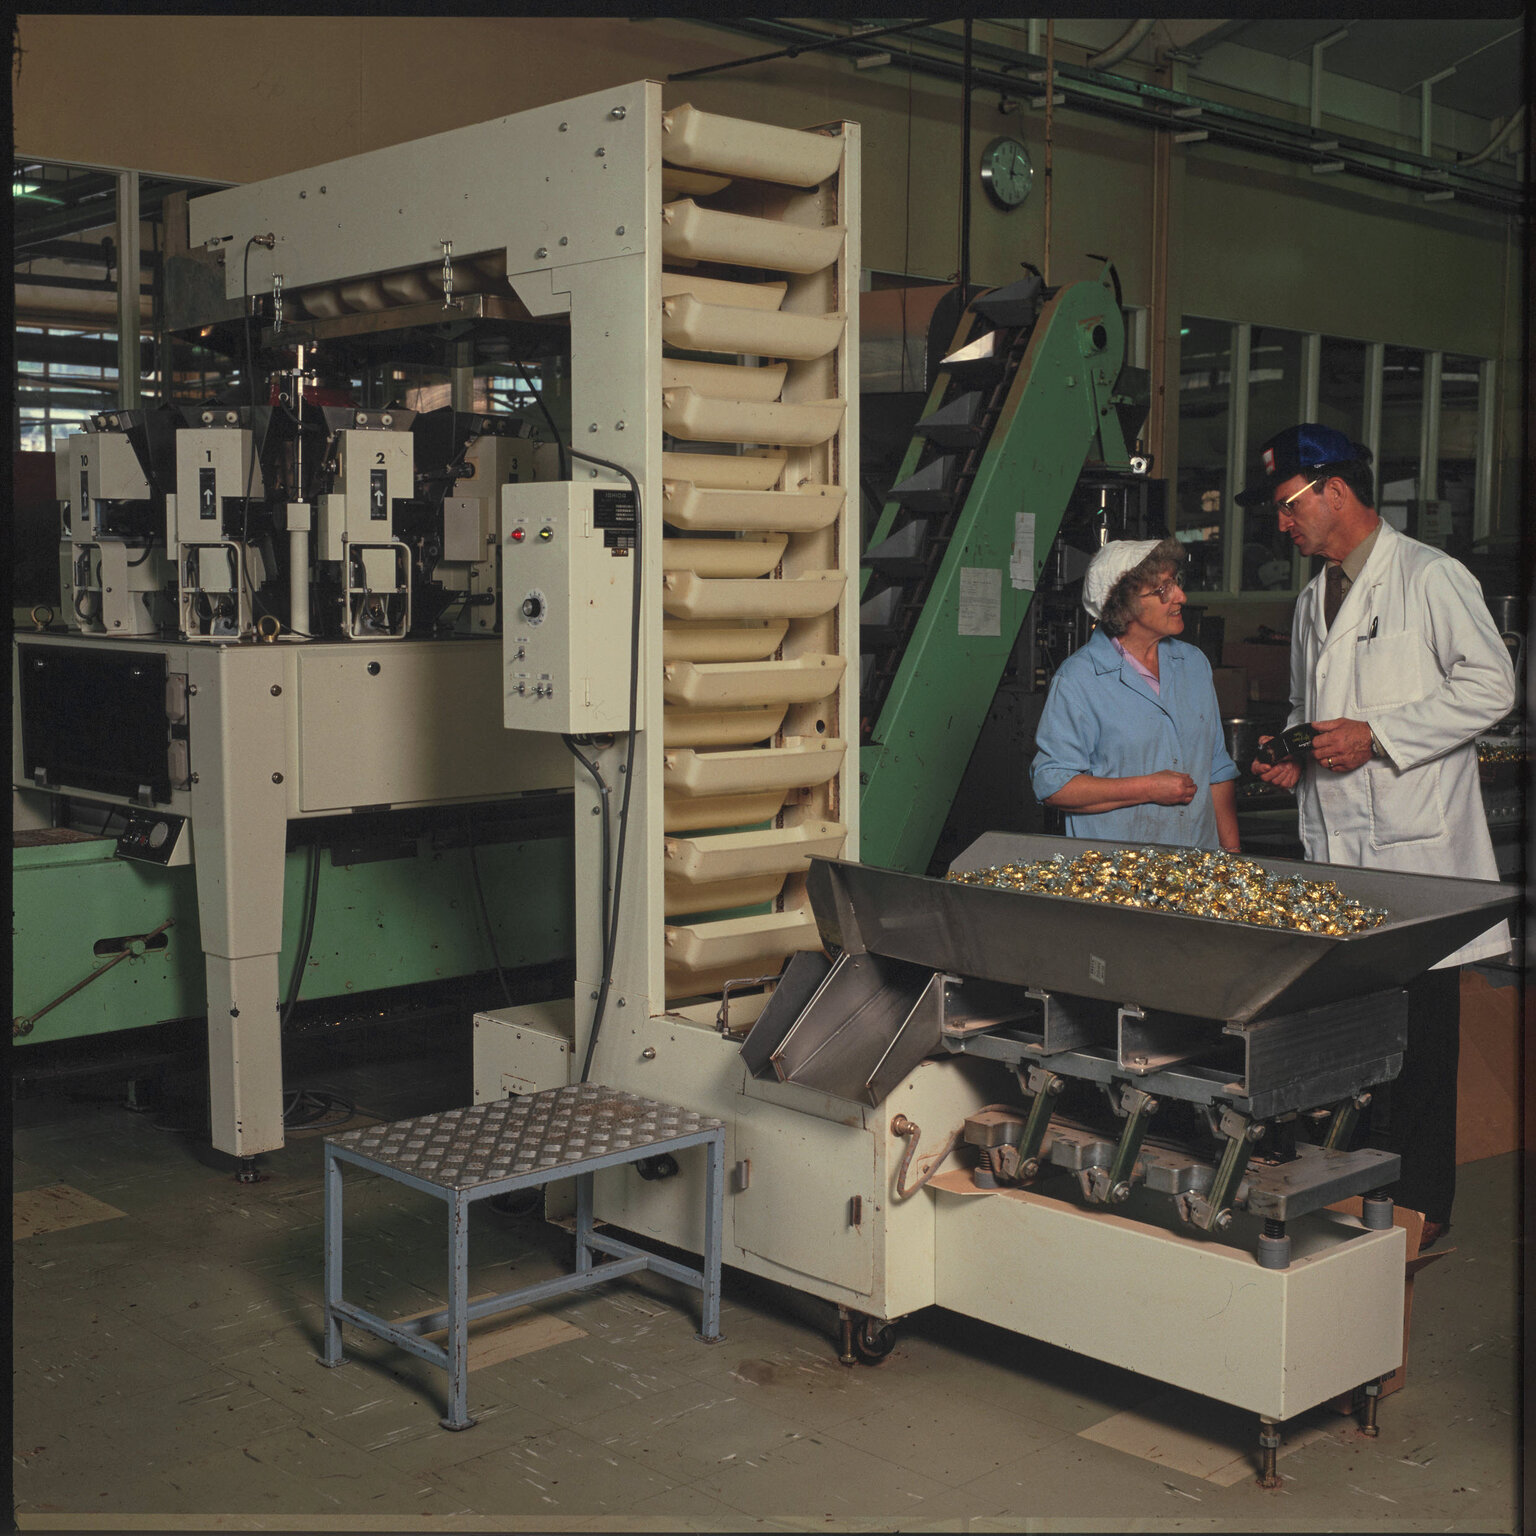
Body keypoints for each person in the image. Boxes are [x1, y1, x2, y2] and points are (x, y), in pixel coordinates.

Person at [1242, 423, 1514, 1248]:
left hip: (1417, 849)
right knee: (1362, 1035)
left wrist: (1380, 735)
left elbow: (1493, 686)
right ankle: (1368, 1191)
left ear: (1334, 490)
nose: (1281, 525)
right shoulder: (1308, 599)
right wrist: (1294, 751)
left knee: (1424, 1036)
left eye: (1288, 506)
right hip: (1339, 849)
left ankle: (1424, 1205)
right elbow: (1307, 708)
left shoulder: (1429, 577)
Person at [1031, 537, 1241, 852]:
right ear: (1123, 605)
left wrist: (1233, 860)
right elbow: (1054, 786)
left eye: (1177, 583)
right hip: (1118, 879)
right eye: (1163, 589)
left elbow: (1216, 769)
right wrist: (1148, 788)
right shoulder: (1079, 680)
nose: (1181, 597)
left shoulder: (1193, 664)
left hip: (1199, 874)